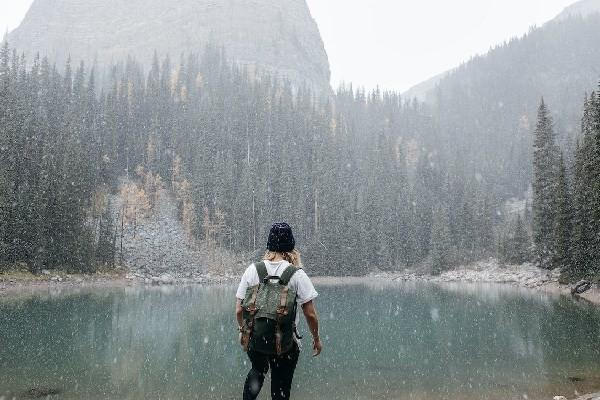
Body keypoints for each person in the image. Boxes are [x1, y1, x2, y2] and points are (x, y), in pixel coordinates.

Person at [236, 222, 322, 400]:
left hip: (256, 338)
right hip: (285, 343)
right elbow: (310, 314)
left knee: (257, 370)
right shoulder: (297, 274)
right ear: (291, 247)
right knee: (280, 385)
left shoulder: (252, 270)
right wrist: (316, 338)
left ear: (269, 246)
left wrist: (243, 332)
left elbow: (239, 309)